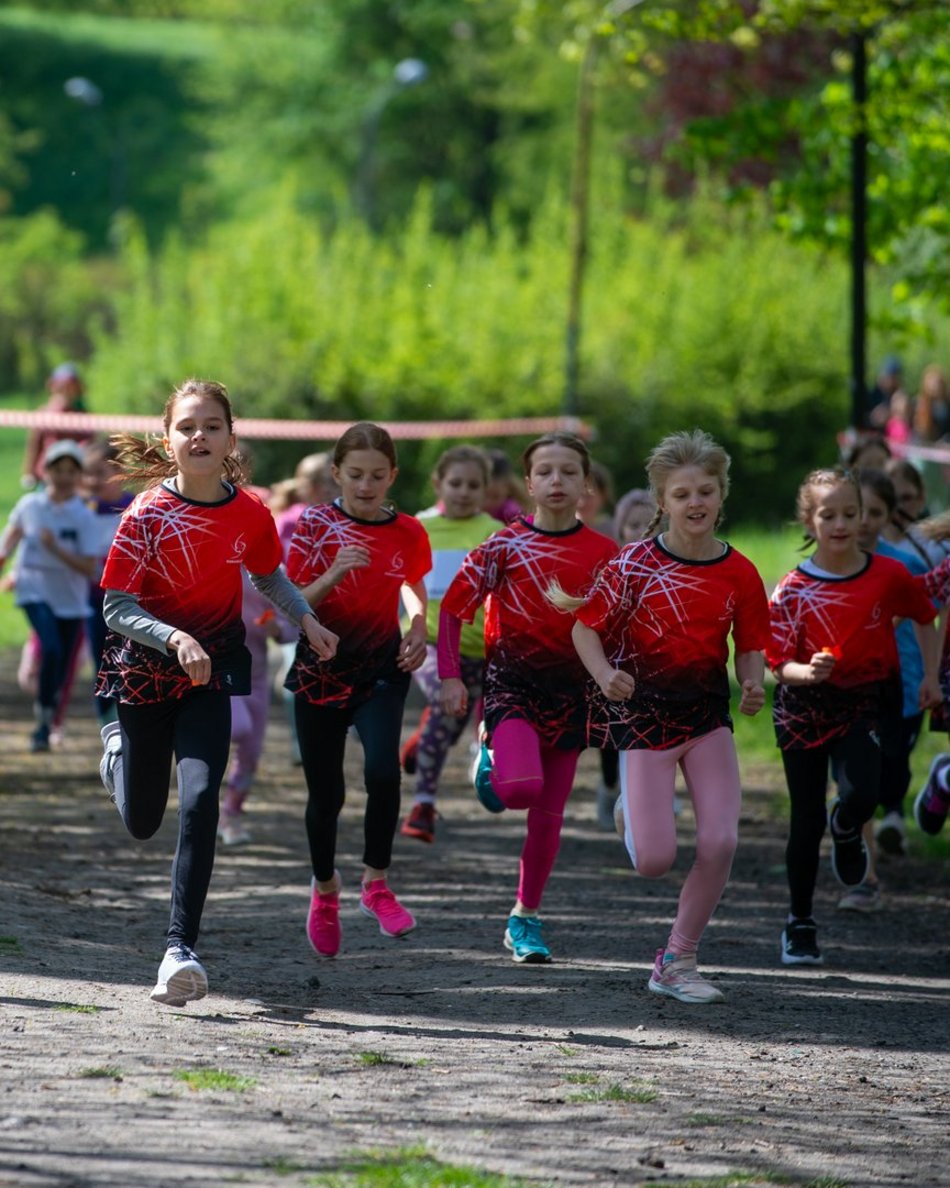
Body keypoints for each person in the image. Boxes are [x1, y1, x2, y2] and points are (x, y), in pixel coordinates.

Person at [95, 379, 337, 1006]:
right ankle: (117, 750)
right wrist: (174, 636)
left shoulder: (250, 512)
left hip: (211, 674)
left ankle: (178, 950)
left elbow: (269, 575)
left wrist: (306, 619)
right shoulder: (145, 514)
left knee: (202, 800)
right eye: (186, 426)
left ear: (231, 438)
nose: (198, 436)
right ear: (167, 440)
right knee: (143, 821)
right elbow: (116, 607)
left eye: (211, 426)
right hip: (147, 672)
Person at [565, 430, 768, 1004]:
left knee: (720, 842)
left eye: (706, 491)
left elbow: (751, 643)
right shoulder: (633, 564)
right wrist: (604, 675)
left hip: (707, 721)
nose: (695, 502)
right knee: (654, 861)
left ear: (722, 494)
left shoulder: (740, 572)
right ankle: (631, 808)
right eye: (682, 494)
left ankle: (677, 960)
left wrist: (752, 680)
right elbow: (585, 629)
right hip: (644, 723)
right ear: (662, 501)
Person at [439, 432, 617, 964]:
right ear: (529, 483)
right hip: (511, 686)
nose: (557, 481)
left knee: (547, 817)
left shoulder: (607, 554)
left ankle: (525, 918)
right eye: (545, 472)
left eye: (569, 472)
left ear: (586, 485)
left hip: (574, 694)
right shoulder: (502, 546)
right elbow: (453, 609)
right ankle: (491, 751)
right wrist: (451, 677)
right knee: (519, 790)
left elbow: (621, 625)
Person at [766, 467, 939, 968]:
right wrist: (806, 672)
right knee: (805, 819)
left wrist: (930, 676)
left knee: (865, 792)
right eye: (828, 515)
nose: (841, 524)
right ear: (809, 520)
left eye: (850, 513)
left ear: (864, 515)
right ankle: (799, 924)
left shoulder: (888, 575)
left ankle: (846, 827)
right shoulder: (792, 588)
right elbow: (778, 664)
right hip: (802, 708)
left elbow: (926, 617)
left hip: (866, 701)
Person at [285, 422, 431, 959]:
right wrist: (334, 571)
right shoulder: (315, 523)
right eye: (355, 475)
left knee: (383, 772)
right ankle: (325, 891)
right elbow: (293, 599)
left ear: (392, 476)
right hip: (321, 667)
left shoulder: (408, 530)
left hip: (381, 669)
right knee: (327, 796)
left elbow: (412, 584)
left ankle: (376, 884)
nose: (366, 485)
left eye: (376, 475)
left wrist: (418, 625)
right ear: (336, 474)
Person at [399, 445, 498, 845]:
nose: (463, 492)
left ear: (486, 489)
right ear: (438, 483)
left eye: (473, 485)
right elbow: (402, 581)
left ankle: (418, 746)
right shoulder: (418, 527)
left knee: (451, 721)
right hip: (428, 641)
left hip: (476, 647)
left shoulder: (494, 531)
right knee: (446, 706)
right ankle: (423, 804)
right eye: (455, 483)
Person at [843, 470, 929, 895]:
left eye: (874, 513)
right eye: (856, 511)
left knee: (890, 777)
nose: (863, 522)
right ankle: (866, 875)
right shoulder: (828, 566)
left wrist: (931, 675)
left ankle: (891, 813)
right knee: (857, 783)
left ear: (889, 515)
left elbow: (930, 619)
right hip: (845, 693)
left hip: (903, 688)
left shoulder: (906, 566)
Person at [0, 440, 99, 752]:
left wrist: (55, 549)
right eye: (58, 469)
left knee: (61, 664)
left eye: (71, 471)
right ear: (46, 471)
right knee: (52, 648)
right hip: (33, 588)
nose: (64, 477)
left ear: (79, 475)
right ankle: (44, 720)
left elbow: (89, 568)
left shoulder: (83, 515)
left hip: (70, 598)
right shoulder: (30, 506)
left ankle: (46, 717)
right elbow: (9, 539)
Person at [590, 486, 660, 831]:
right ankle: (609, 788)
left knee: (653, 737)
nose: (641, 531)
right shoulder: (610, 570)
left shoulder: (673, 571)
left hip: (655, 674)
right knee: (611, 740)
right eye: (633, 525)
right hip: (612, 671)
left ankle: (652, 798)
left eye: (650, 524)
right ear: (620, 529)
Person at [218, 569, 298, 846]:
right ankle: (200, 800)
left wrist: (277, 628)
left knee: (251, 754)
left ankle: (230, 814)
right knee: (239, 727)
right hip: (221, 672)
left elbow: (291, 627)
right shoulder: (216, 565)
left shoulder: (267, 571)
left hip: (256, 677)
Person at [20, 363, 92, 490]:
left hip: (74, 476)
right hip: (47, 475)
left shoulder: (82, 414)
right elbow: (35, 444)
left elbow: (89, 443)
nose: (66, 391)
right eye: (62, 386)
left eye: (71, 387)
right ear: (53, 386)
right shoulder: (44, 413)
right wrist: (29, 471)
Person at [484, 448, 527, 524]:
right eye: (485, 495)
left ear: (508, 489)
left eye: (496, 497)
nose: (489, 503)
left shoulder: (512, 513)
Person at [912, 364, 950, 444]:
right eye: (932, 383)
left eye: (938, 383)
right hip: (928, 444)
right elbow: (921, 431)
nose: (935, 386)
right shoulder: (921, 405)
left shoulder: (947, 403)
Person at [866, 355, 905, 432]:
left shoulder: (899, 396)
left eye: (892, 377)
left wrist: (890, 415)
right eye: (887, 376)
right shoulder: (872, 395)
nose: (888, 380)